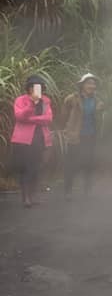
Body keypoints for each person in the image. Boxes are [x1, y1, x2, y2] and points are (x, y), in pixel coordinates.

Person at [10, 75, 54, 207]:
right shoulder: (21, 100)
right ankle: (26, 198)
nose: (35, 89)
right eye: (33, 86)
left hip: (40, 139)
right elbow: (19, 116)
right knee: (26, 169)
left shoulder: (46, 101)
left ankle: (33, 196)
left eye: (38, 86)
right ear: (28, 88)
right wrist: (32, 104)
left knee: (36, 168)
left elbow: (48, 119)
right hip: (24, 141)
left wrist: (31, 119)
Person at [59, 72, 105, 199]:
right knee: (71, 164)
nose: (92, 86)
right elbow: (63, 116)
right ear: (82, 85)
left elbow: (98, 119)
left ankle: (87, 191)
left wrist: (99, 111)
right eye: (89, 83)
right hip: (75, 137)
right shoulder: (72, 99)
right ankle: (68, 191)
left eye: (94, 83)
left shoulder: (97, 101)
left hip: (90, 136)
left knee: (89, 164)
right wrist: (65, 131)